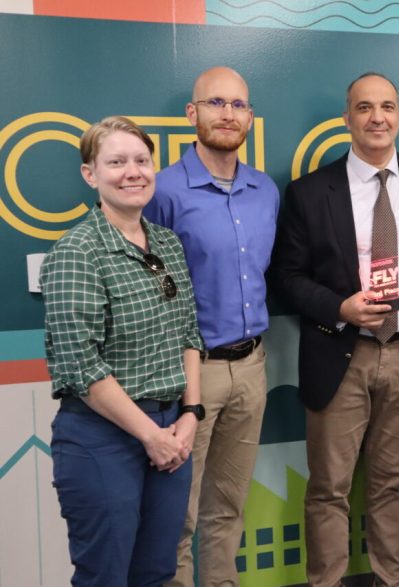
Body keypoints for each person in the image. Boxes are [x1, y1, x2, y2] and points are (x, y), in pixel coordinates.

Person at [271, 72, 399, 587]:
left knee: (393, 485)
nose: (377, 117)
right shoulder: (309, 192)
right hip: (339, 353)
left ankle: (392, 580)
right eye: (365, 107)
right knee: (329, 488)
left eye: (388, 107)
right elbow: (285, 276)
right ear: (347, 118)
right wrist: (339, 308)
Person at [41, 116, 203, 587]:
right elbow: (81, 365)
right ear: (91, 174)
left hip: (172, 429)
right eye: (116, 162)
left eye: (141, 160)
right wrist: (150, 436)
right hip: (103, 438)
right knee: (105, 577)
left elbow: (189, 334)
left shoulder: (168, 243)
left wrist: (190, 413)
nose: (132, 172)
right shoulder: (77, 251)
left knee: (156, 573)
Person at [143, 66, 279, 587]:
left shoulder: (264, 190)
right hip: (187, 375)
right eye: (216, 102)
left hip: (251, 367)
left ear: (250, 116)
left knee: (229, 506)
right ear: (192, 113)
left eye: (239, 104)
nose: (228, 113)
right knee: (178, 513)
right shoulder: (163, 191)